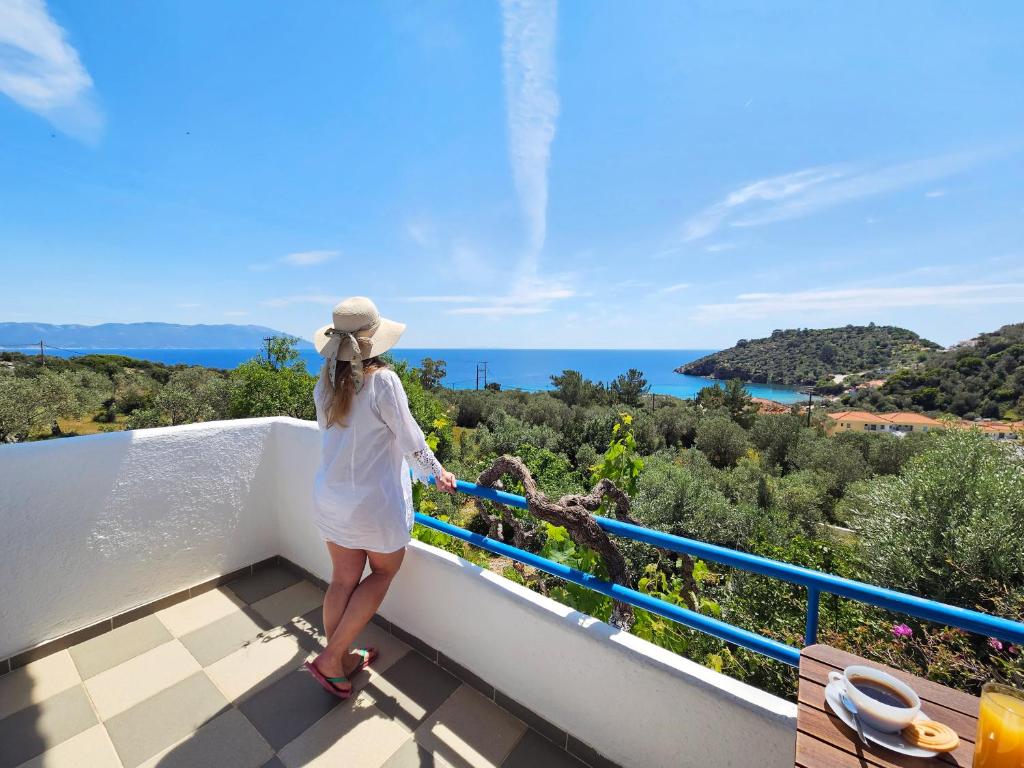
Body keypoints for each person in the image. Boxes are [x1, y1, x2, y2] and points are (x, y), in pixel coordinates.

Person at [303, 296, 456, 698]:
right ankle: (330, 659)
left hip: (331, 497)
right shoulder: (383, 380)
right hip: (372, 504)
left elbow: (330, 433)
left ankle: (341, 659)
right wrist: (437, 473)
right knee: (384, 572)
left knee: (342, 579)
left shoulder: (326, 381)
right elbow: (410, 438)